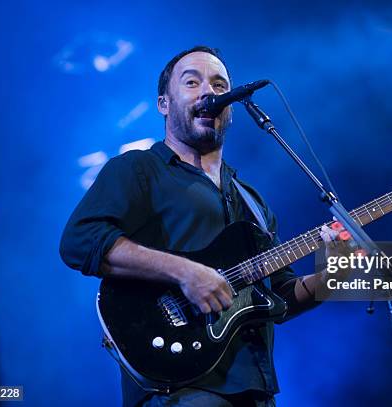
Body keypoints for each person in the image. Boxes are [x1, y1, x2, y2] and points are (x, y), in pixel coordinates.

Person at [60, 45, 346, 407]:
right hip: (179, 387)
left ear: (231, 110)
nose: (209, 92)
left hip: (254, 390)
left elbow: (281, 296)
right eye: (192, 82)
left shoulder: (253, 202)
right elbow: (79, 240)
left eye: (219, 84)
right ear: (163, 103)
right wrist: (185, 273)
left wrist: (330, 277)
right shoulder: (137, 170)